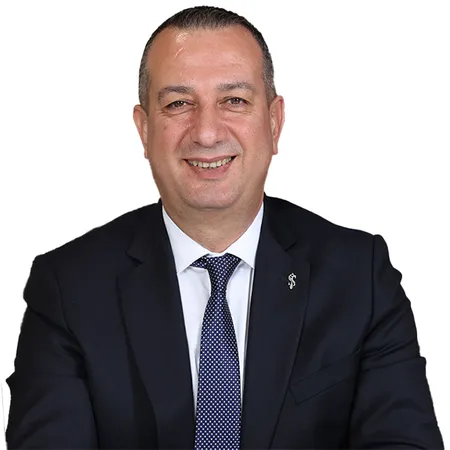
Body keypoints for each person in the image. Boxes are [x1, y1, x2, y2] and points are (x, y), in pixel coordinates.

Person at [5, 5, 443, 449]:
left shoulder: (359, 277)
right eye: (178, 104)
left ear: (274, 121)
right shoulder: (68, 288)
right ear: (144, 129)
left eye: (234, 100)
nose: (207, 133)